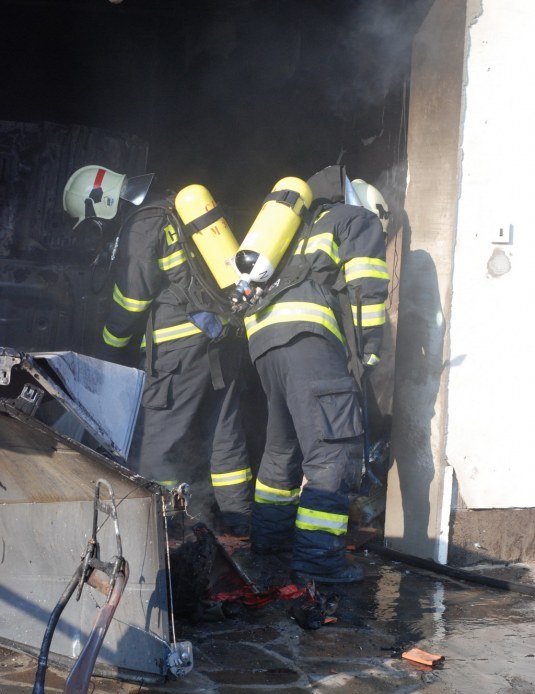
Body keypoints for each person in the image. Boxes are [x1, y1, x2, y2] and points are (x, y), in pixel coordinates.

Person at [62, 165, 252, 533]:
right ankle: (238, 525)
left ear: (100, 203)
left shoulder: (142, 224)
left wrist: (108, 352)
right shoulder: (174, 210)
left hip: (178, 351)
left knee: (155, 445)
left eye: (93, 223)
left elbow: (130, 302)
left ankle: (164, 534)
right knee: (224, 435)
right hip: (222, 340)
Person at [242, 165, 390, 583]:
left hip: (264, 346)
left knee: (282, 449)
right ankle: (319, 562)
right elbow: (366, 288)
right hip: (310, 342)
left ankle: (270, 544)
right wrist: (370, 353)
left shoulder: (295, 230)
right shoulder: (356, 220)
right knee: (333, 452)